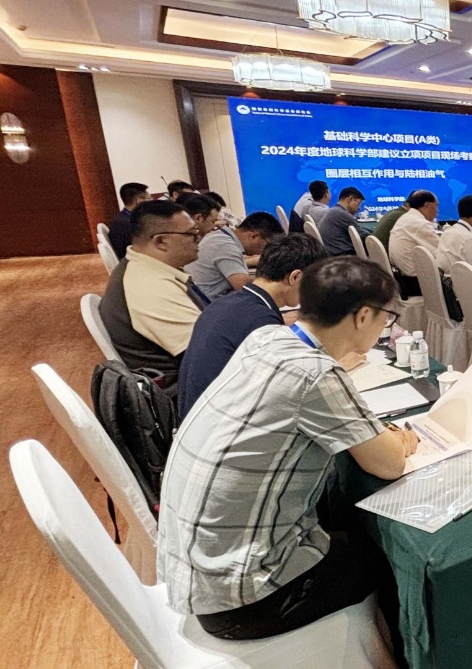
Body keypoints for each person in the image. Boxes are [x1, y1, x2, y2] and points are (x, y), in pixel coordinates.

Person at [158, 257, 419, 641]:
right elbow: (389, 464)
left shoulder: (265, 338)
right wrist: (399, 440)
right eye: (387, 317)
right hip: (245, 599)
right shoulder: (315, 374)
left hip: (197, 573)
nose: (386, 326)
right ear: (364, 316)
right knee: (395, 561)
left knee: (343, 522)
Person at [177, 234, 328, 417]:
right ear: (295, 277)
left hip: (196, 417)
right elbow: (286, 387)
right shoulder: (262, 322)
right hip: (222, 421)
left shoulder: (228, 303)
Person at [99, 200, 206, 396]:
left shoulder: (142, 267)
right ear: (160, 241)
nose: (198, 239)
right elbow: (210, 351)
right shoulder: (150, 287)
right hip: (188, 394)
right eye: (192, 234)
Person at [185, 212, 283, 299]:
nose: (263, 251)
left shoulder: (220, 237)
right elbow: (245, 288)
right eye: (267, 245)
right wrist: (280, 282)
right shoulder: (224, 244)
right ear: (254, 236)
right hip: (209, 306)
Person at [387, 190, 439, 295]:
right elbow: (441, 254)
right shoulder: (420, 224)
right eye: (436, 206)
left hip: (404, 279)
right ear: (427, 205)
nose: (437, 211)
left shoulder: (406, 218)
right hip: (416, 282)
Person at [317, 187, 365, 256]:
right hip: (341, 256)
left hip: (331, 254)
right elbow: (365, 236)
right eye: (358, 203)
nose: (359, 208)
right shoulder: (341, 214)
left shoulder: (334, 211)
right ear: (350, 200)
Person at [107, 182, 149, 259]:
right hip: (133, 260)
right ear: (139, 201)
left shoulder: (123, 217)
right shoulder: (128, 223)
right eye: (149, 199)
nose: (151, 201)